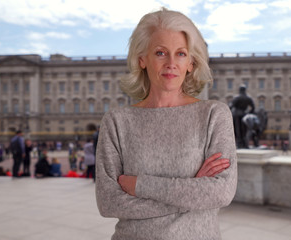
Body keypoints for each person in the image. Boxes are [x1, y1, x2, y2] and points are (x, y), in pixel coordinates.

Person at [95, 8, 237, 239]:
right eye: (161, 53)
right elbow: (108, 203)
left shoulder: (214, 114)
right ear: (142, 59)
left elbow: (221, 193)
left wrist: (139, 185)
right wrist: (193, 190)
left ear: (191, 62)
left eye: (181, 54)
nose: (171, 63)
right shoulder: (117, 121)